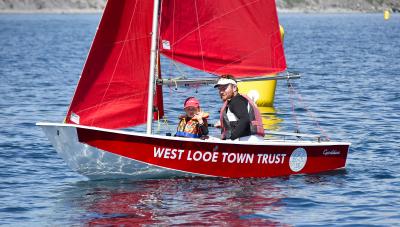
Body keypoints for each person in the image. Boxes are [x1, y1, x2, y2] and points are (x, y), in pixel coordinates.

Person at [214, 75, 265, 142]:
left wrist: (231, 138)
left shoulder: (236, 101)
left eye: (225, 88)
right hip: (254, 139)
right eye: (220, 88)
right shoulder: (241, 99)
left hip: (246, 141)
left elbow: (245, 119)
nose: (221, 91)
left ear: (234, 88)